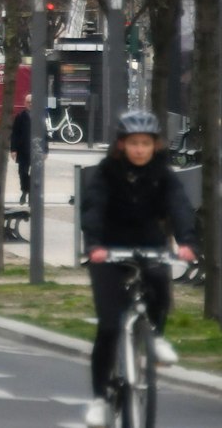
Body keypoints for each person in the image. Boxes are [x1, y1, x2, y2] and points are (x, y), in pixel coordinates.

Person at [79, 110, 198, 427]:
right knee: (108, 326)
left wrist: (187, 241)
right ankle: (100, 401)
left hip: (149, 245)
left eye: (146, 143)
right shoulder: (107, 174)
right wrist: (94, 246)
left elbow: (179, 205)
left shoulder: (163, 174)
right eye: (134, 143)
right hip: (108, 250)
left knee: (160, 279)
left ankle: (156, 336)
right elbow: (93, 208)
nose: (140, 149)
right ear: (122, 145)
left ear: (155, 145)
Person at [11, 94, 34, 204]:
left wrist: (45, 150)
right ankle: (25, 191)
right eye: (28, 102)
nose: (30, 104)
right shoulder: (20, 116)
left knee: (35, 173)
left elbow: (44, 134)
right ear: (25, 103)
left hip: (35, 150)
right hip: (23, 150)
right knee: (22, 173)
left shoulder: (39, 116)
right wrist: (13, 149)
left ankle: (31, 195)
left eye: (32, 102)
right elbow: (14, 133)